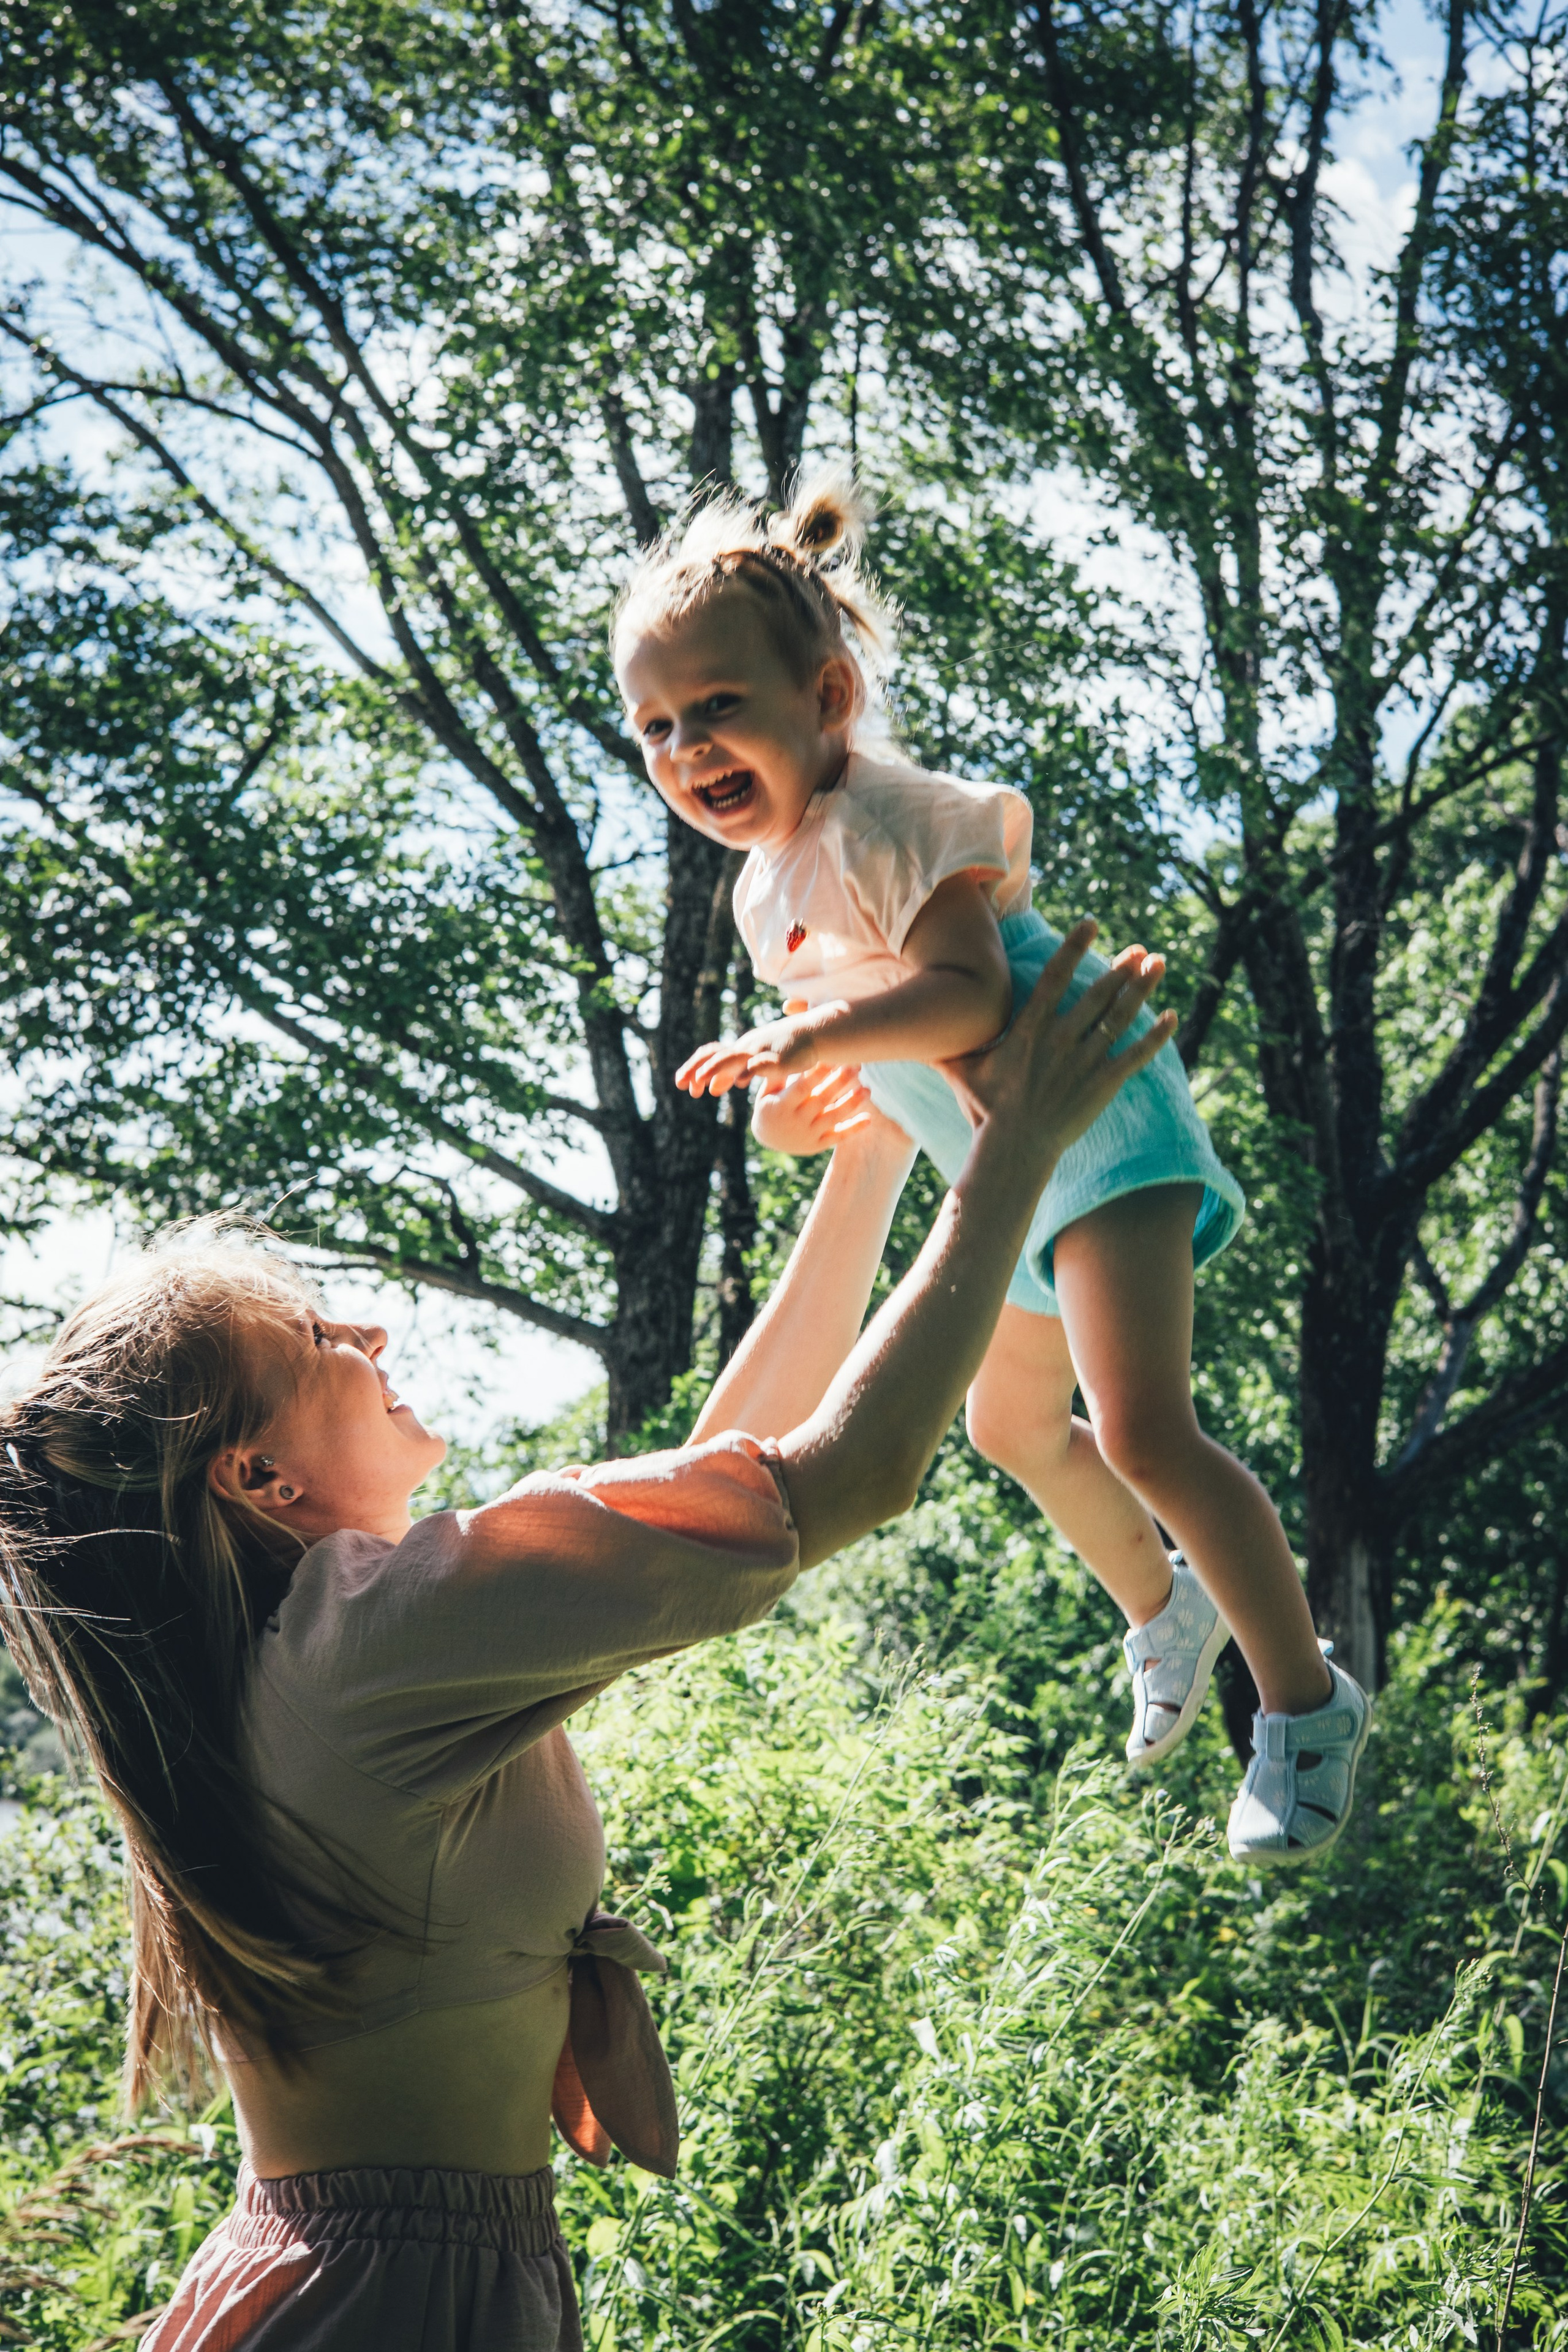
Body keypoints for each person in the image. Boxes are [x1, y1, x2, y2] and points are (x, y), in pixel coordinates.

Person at [0, 927, 1166, 2351]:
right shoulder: (369, 1640)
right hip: (387, 2300)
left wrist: (864, 1167)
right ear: (256, 1479)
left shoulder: (310, 1648)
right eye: (315, 1337)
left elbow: (715, 1473)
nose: (367, 1326)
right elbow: (844, 1480)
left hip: (366, 2277)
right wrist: (1016, 1146)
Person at [612, 472, 1371, 1869]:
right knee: (1010, 1429)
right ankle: (1163, 1607)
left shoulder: (887, 819)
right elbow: (856, 1096)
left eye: (717, 708)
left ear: (825, 701)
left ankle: (1306, 1704)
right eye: (655, 727)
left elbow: (960, 998)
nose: (686, 747)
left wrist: (818, 1028)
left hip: (1092, 1123)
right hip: (1004, 1165)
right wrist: (799, 1088)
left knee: (1142, 1432)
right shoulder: (764, 883)